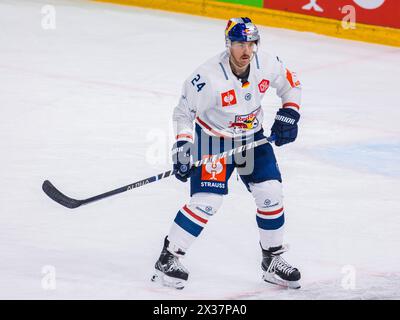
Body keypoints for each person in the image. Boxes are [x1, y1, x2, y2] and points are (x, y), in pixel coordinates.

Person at [151, 17, 302, 290]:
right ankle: (168, 257)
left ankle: (272, 260)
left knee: (270, 192)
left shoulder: (267, 64)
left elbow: (291, 85)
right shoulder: (206, 77)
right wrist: (184, 146)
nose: (246, 50)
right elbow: (183, 113)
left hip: (253, 139)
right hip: (213, 141)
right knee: (207, 200)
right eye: (239, 43)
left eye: (251, 43)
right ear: (228, 44)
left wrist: (290, 113)